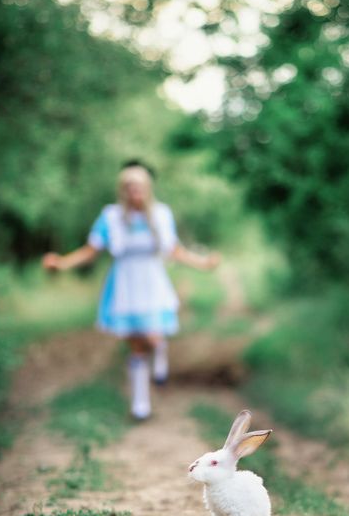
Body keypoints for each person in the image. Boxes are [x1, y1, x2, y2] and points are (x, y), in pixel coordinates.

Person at [42, 161, 220, 419]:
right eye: (129, 189)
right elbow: (91, 250)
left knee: (153, 335)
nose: (135, 194)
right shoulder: (110, 217)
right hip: (124, 285)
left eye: (139, 188)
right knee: (136, 346)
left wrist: (203, 264)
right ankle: (140, 404)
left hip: (151, 281)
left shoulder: (161, 214)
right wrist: (62, 263)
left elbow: (174, 250)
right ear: (122, 191)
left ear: (147, 190)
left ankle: (160, 354)